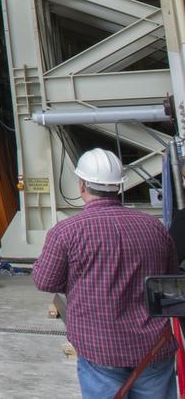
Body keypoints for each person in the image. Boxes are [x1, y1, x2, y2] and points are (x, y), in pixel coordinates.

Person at [34, 148, 177, 399]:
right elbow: (170, 281)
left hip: (100, 347)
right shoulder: (154, 228)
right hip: (153, 348)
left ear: (81, 185)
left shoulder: (66, 232)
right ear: (119, 187)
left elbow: (45, 281)